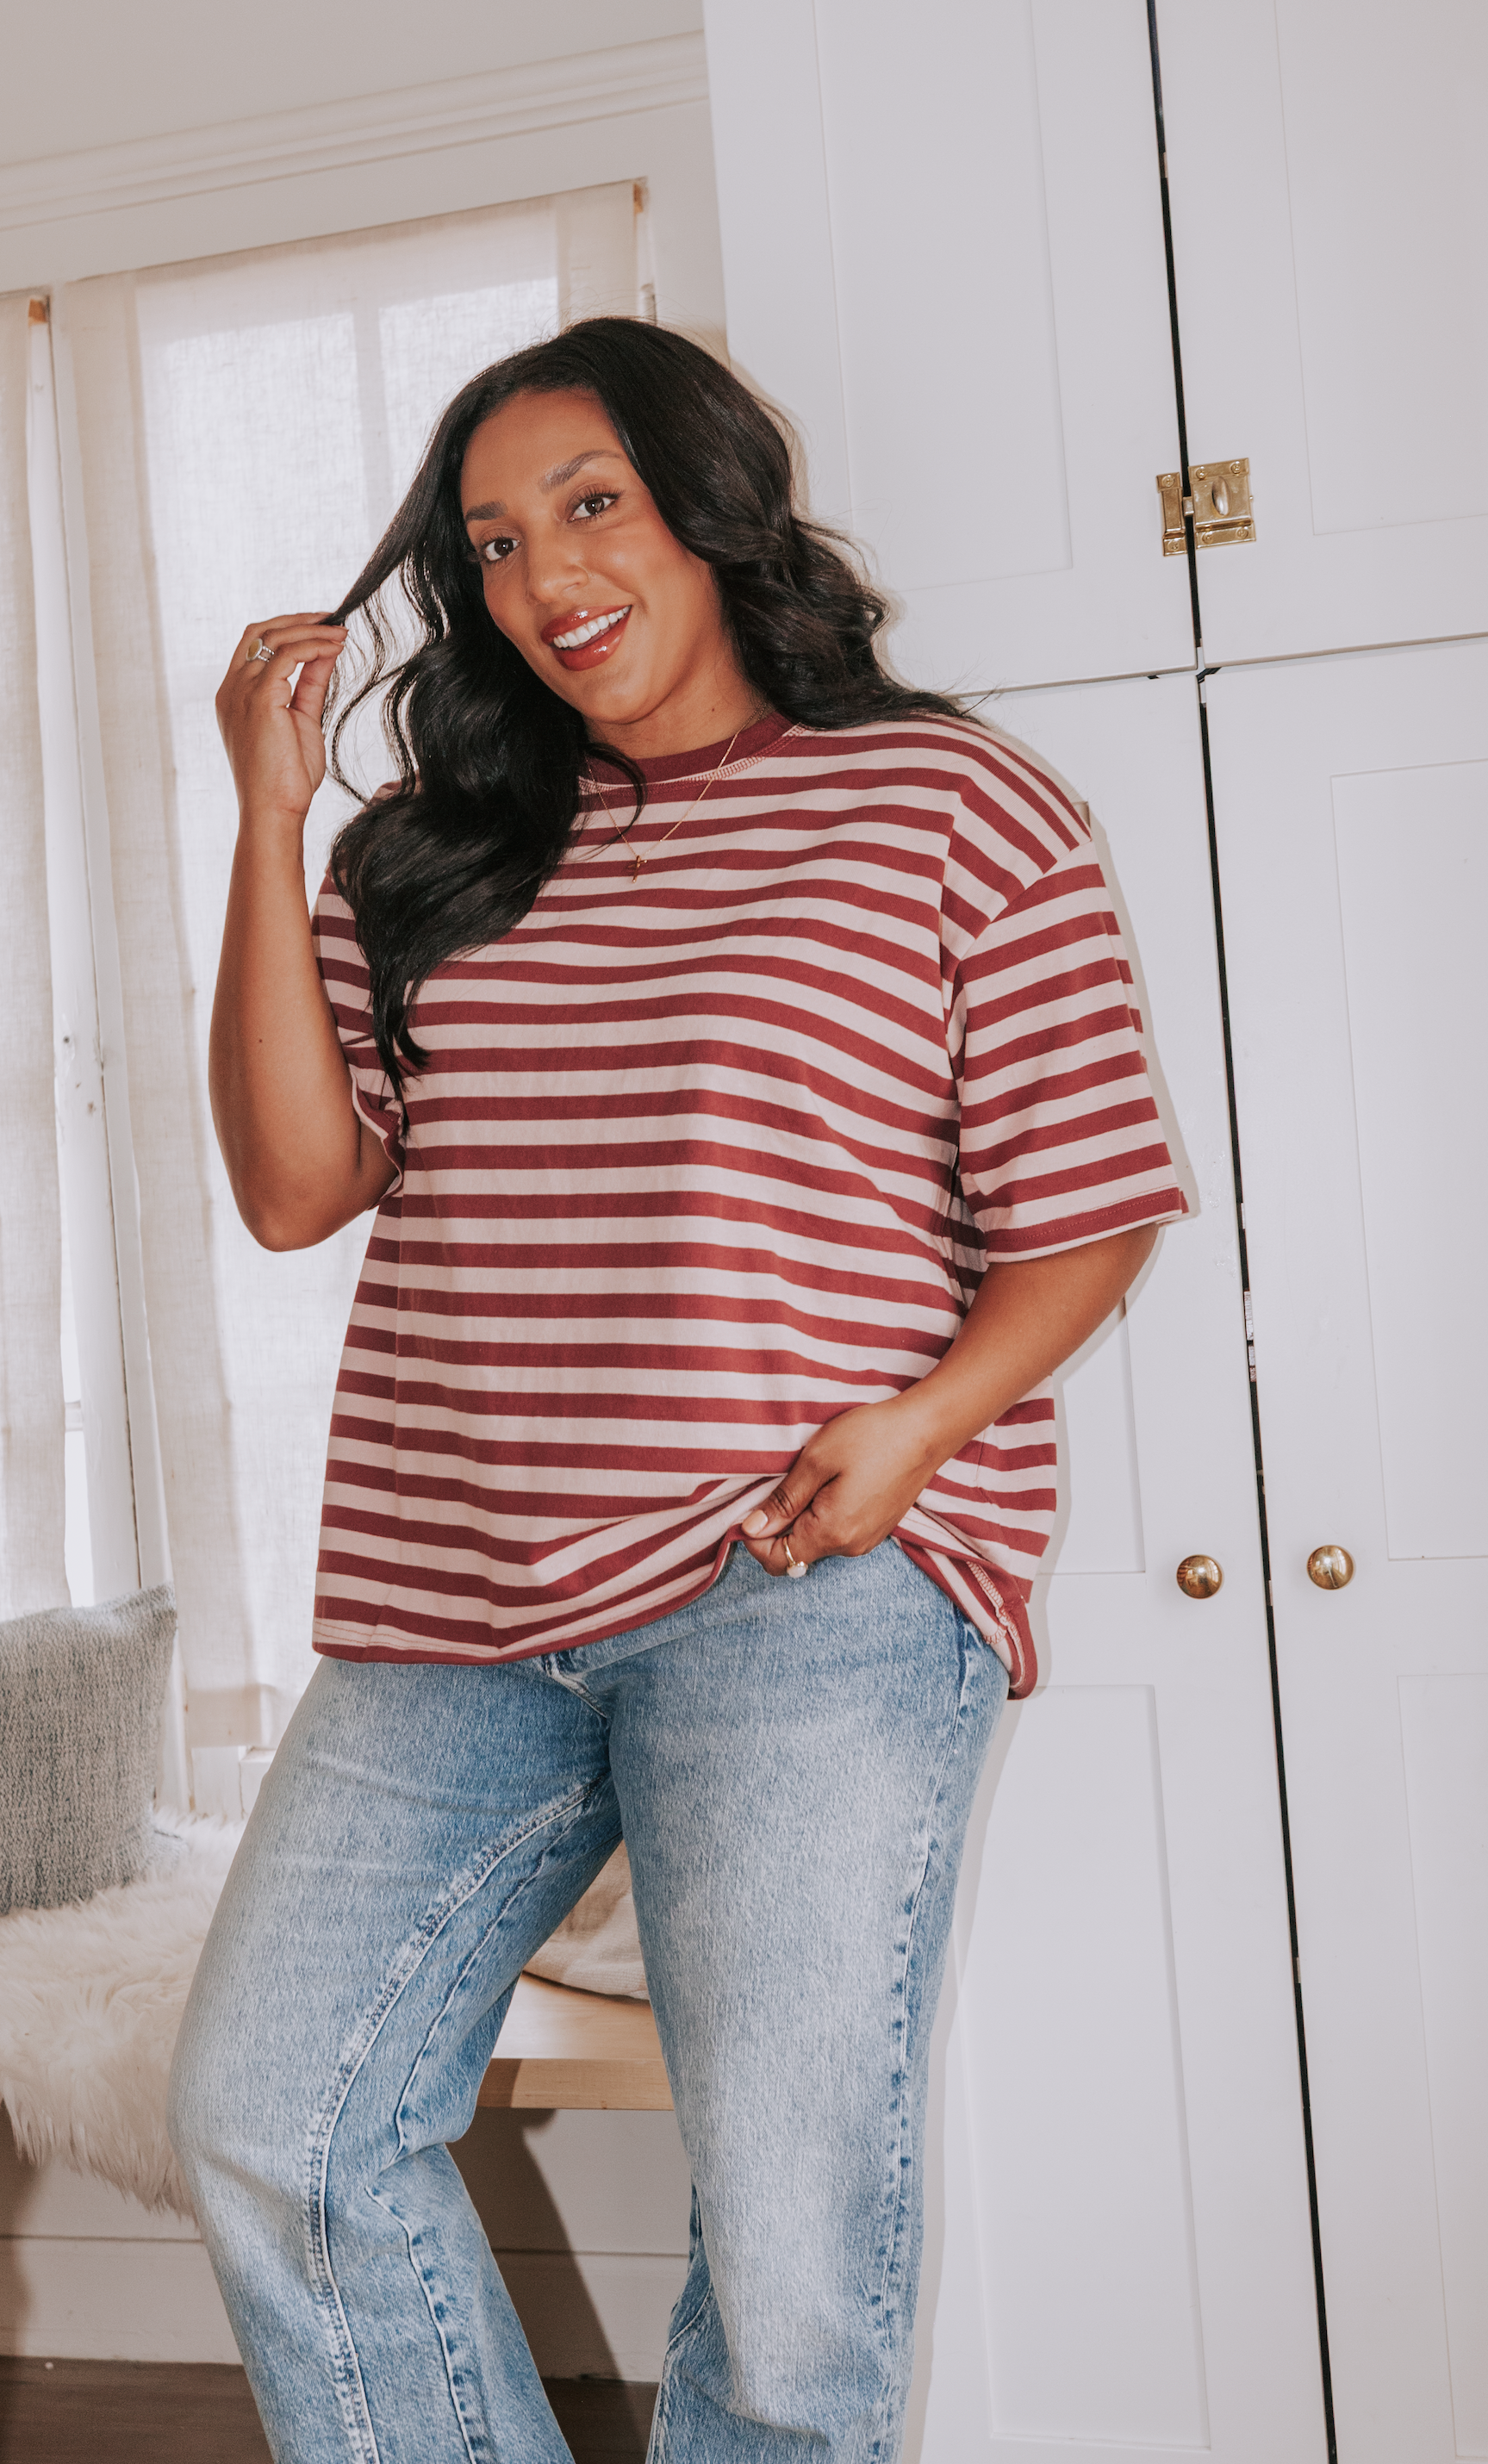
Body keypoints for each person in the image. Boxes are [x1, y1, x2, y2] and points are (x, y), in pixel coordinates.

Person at [169, 318, 1186, 2464]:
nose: (543, 574)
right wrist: (266, 817)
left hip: (802, 1583)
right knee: (274, 2113)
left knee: (795, 2250)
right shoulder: (424, 853)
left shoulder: (947, 804)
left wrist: (914, 1431)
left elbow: (1085, 1203)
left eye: (590, 505)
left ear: (711, 510)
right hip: (453, 1596)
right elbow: (292, 1188)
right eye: (490, 541)